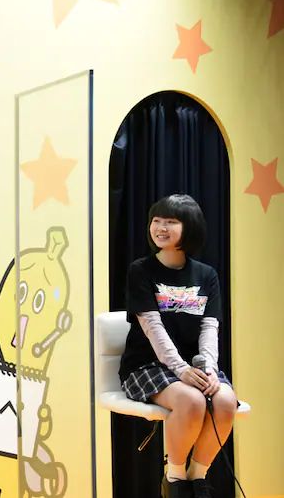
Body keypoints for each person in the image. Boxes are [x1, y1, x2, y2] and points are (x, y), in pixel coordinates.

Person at [119, 194, 238, 498]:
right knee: (192, 401)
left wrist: (208, 369)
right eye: (156, 221)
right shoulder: (140, 270)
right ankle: (174, 479)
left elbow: (210, 327)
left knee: (226, 401)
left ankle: (198, 478)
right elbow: (152, 327)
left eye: (170, 222)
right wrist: (181, 369)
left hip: (193, 367)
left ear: (190, 227)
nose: (160, 227)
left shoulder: (206, 275)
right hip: (147, 365)